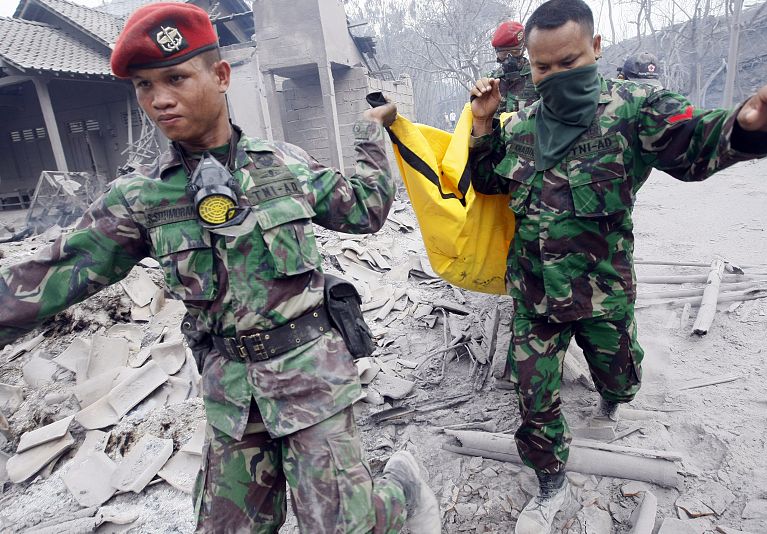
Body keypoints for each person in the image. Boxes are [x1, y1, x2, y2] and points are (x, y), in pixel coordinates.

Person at [0, 3, 441, 533]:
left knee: (344, 527)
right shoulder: (140, 198)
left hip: (312, 379)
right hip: (231, 393)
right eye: (144, 86)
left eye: (176, 78)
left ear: (221, 75)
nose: (160, 100)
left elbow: (366, 209)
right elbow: (51, 275)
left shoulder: (284, 165)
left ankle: (399, 488)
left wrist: (373, 134)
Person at [467, 0, 767, 532]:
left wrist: (748, 127)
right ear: (529, 64)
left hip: (603, 293)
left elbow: (694, 145)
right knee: (533, 398)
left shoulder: (634, 109)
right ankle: (550, 480)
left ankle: (612, 405)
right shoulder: (522, 123)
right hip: (534, 297)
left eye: (568, 62)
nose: (554, 77)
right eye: (542, 67)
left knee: (619, 375)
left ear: (596, 49)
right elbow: (487, 183)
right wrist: (484, 124)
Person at [487, 21, 540, 117]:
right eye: (503, 54)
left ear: (524, 48)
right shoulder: (489, 81)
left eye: (515, 52)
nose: (509, 58)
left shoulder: (538, 76)